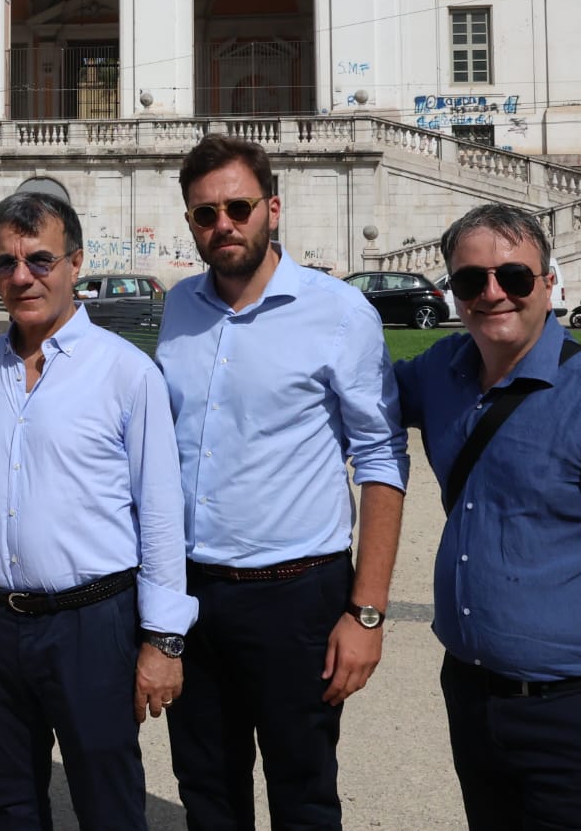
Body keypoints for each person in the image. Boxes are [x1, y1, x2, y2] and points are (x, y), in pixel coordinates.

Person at [396, 203, 581, 831]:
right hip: (473, 696)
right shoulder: (440, 372)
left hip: (579, 710)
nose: (493, 293)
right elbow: (338, 397)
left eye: (515, 277)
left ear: (549, 283)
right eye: (472, 280)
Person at [153, 135, 409, 830]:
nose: (223, 224)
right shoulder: (179, 309)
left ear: (272, 208)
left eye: (238, 206)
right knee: (205, 788)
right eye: (205, 214)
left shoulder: (338, 311)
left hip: (296, 595)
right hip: (195, 592)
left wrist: (367, 612)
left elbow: (383, 458)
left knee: (303, 791)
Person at [0, 188, 194, 831]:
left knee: (107, 798)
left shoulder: (125, 372)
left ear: (76, 262)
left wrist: (163, 639)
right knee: (9, 804)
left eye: (39, 260)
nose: (21, 276)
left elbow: (162, 513)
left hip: (90, 621)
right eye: (5, 262)